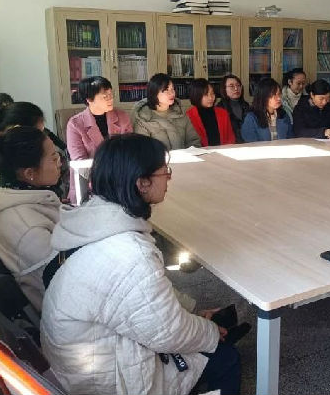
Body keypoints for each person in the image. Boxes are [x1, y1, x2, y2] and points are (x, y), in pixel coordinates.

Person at [40, 134, 241, 395]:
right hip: (103, 382)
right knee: (227, 358)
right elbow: (169, 333)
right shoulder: (130, 254)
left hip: (77, 361)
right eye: (165, 171)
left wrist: (191, 312)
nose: (169, 178)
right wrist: (211, 332)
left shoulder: (93, 220)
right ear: (142, 183)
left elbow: (145, 298)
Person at [0, 126, 61, 310]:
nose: (60, 163)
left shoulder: (0, 193)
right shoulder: (28, 230)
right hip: (56, 308)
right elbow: (62, 284)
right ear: (29, 173)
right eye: (54, 158)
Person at [66, 76, 132, 202]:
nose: (111, 98)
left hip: (121, 181)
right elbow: (81, 163)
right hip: (88, 185)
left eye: (111, 94)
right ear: (89, 99)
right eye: (105, 96)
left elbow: (129, 151)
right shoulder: (75, 124)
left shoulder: (122, 117)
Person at [131, 73, 201, 150]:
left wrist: (190, 153)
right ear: (154, 93)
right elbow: (144, 150)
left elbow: (194, 141)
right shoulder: (143, 118)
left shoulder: (181, 113)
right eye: (166, 90)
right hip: (158, 158)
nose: (172, 93)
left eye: (172, 89)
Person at [186, 79, 236, 147]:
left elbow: (231, 138)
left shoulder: (223, 113)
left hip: (223, 151)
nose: (211, 98)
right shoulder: (188, 116)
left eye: (212, 93)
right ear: (196, 95)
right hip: (199, 152)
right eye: (206, 95)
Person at [241, 78, 293, 142]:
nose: (279, 98)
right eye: (273, 95)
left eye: (279, 94)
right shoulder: (251, 117)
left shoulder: (284, 114)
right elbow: (250, 143)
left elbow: (290, 138)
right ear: (263, 96)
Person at [217, 75, 250, 143]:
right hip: (230, 145)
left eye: (238, 85)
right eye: (231, 86)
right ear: (224, 89)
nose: (236, 88)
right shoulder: (220, 108)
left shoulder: (246, 105)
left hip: (248, 143)